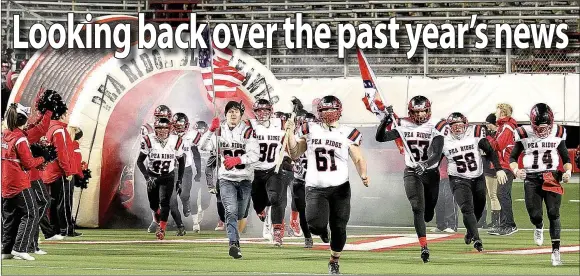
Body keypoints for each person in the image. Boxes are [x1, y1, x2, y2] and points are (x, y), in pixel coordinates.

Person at [287, 95, 369, 274]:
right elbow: (294, 152)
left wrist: (363, 173)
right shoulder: (310, 128)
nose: (329, 113)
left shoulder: (348, 132)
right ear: (319, 112)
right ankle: (323, 231)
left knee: (339, 226)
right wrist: (290, 134)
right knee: (315, 225)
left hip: (340, 187)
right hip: (315, 186)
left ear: (339, 111)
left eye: (332, 109)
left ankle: (334, 260)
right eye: (324, 110)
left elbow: (357, 156)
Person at [375, 96, 447, 263]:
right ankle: (424, 246)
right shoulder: (402, 123)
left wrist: (426, 163)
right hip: (412, 171)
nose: (420, 114)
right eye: (417, 111)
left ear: (429, 110)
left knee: (428, 212)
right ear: (410, 112)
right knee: (417, 208)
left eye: (423, 111)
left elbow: (437, 153)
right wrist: (385, 121)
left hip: (430, 173)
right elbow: (381, 137)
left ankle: (429, 214)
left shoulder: (436, 125)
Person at [510, 103, 572, 266]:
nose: (542, 130)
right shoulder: (523, 133)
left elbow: (566, 158)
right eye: (539, 126)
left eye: (545, 126)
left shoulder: (558, 132)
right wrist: (516, 171)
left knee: (554, 213)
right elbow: (512, 158)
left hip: (551, 176)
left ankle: (556, 251)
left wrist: (567, 172)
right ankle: (538, 225)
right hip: (531, 178)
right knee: (535, 214)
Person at [199, 101, 259, 259]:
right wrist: (211, 130)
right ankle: (233, 243)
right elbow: (202, 146)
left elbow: (255, 155)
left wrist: (238, 160)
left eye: (236, 111)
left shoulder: (247, 132)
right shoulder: (218, 131)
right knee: (230, 211)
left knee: (240, 213)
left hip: (245, 179)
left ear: (241, 114)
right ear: (225, 114)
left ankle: (235, 239)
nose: (233, 114)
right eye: (230, 111)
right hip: (226, 179)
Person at [441, 112, 507, 252]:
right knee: (466, 208)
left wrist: (499, 169)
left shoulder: (475, 132)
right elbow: (436, 158)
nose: (458, 128)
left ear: (466, 124)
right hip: (458, 177)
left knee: (479, 208)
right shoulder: (444, 139)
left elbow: (490, 151)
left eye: (460, 125)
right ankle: (477, 239)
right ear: (449, 126)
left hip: (477, 177)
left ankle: (470, 231)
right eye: (454, 125)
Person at [2, 103, 55, 260]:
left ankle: (6, 250)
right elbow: (28, 163)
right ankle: (20, 248)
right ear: (22, 119)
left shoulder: (5, 134)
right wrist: (44, 157)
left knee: (10, 216)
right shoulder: (20, 139)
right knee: (32, 212)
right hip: (18, 182)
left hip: (5, 182)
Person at [248, 99, 294, 246]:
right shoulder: (249, 126)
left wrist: (291, 129)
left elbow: (290, 142)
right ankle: (260, 209)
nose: (262, 114)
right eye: (259, 111)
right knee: (259, 203)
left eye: (265, 111)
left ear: (271, 111)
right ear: (254, 112)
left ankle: (277, 232)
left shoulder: (279, 124)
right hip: (255, 170)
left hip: (274, 168)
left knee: (276, 198)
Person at [136, 118, 186, 240]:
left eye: (165, 128)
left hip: (168, 176)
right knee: (153, 205)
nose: (162, 131)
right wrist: (147, 177)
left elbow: (181, 161)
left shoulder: (176, 140)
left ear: (169, 129)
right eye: (159, 128)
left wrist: (179, 180)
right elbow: (140, 161)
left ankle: (162, 229)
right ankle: (160, 219)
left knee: (165, 202)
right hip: (152, 176)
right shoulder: (148, 140)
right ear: (155, 129)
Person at [41, 94, 81, 237]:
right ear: (62, 116)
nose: (69, 117)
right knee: (64, 202)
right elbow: (62, 153)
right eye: (67, 114)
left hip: (48, 171)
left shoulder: (48, 128)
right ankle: (66, 229)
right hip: (59, 172)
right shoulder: (59, 130)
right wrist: (68, 171)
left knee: (53, 202)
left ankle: (56, 228)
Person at [487, 103, 518, 236]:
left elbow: (498, 145)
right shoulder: (503, 126)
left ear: (503, 113)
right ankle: (504, 224)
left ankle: (509, 224)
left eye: (497, 110)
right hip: (504, 164)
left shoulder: (507, 127)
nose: (496, 112)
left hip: (506, 164)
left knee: (503, 194)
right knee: (502, 194)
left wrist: (488, 138)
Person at [170, 113, 204, 234]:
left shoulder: (192, 136)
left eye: (181, 124)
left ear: (186, 125)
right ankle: (178, 223)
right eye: (177, 124)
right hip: (171, 170)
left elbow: (197, 153)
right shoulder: (168, 136)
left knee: (184, 194)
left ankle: (185, 202)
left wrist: (199, 171)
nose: (179, 127)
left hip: (186, 169)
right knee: (172, 198)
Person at [290, 112, 317, 248]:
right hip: (300, 180)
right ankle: (307, 236)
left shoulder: (320, 140)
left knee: (320, 209)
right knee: (302, 211)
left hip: (316, 182)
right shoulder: (294, 138)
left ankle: (323, 228)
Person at [482, 113, 501, 229]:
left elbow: (493, 150)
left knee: (493, 195)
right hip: (489, 167)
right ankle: (493, 221)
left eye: (488, 123)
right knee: (490, 194)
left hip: (492, 167)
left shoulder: (495, 135)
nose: (486, 126)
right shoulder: (496, 134)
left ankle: (496, 222)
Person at [431, 158, 458, 233]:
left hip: (451, 177)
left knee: (450, 200)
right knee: (439, 201)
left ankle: (452, 225)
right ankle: (441, 225)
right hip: (440, 177)